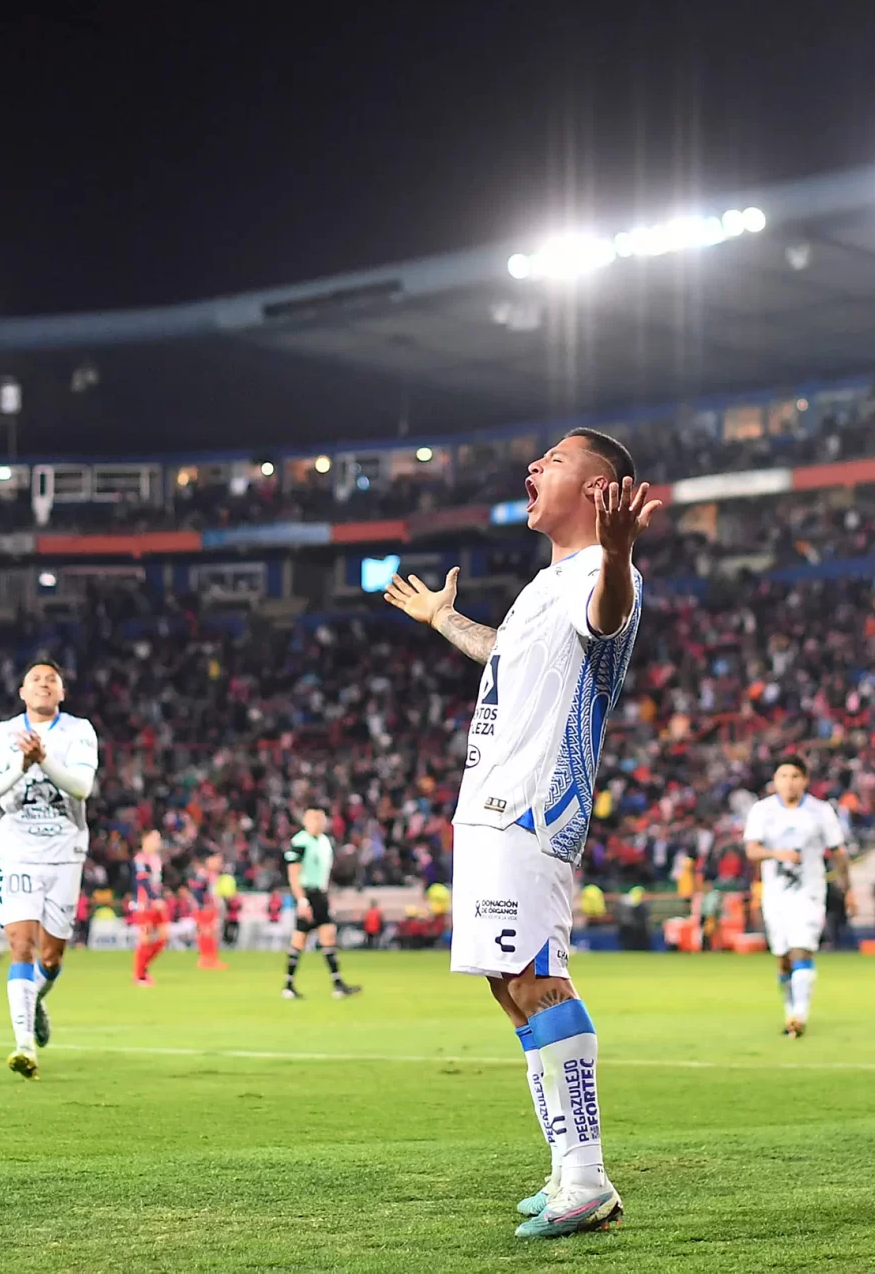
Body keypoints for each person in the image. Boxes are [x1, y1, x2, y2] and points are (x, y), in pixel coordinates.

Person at [384, 428, 654, 1240]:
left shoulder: (603, 574)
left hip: (533, 804)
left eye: (555, 461)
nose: (533, 468)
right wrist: (444, 619)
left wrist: (614, 553)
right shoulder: (543, 585)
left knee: (538, 976)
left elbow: (608, 618)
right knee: (508, 986)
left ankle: (588, 1176)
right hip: (490, 802)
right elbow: (504, 656)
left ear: (601, 487)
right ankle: (566, 1167)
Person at [0, 659, 99, 1078]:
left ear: (62, 693)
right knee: (20, 945)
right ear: (22, 694)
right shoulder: (1, 734)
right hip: (19, 852)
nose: (44, 685)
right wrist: (20, 766)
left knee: (52, 955)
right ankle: (25, 1046)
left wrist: (43, 760)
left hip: (65, 853)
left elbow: (82, 787)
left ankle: (36, 999)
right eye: (36, 680)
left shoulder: (79, 731)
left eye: (52, 680)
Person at [742, 756, 849, 1037]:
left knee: (802, 948)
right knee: (783, 958)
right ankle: (790, 1010)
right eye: (783, 776)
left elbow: (838, 851)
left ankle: (799, 1015)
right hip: (775, 895)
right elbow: (752, 851)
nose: (789, 782)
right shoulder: (762, 810)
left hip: (809, 892)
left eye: (794, 776)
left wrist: (847, 887)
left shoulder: (821, 810)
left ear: (805, 780)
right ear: (775, 781)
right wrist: (778, 854)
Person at [282, 807, 359, 1000]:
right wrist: (301, 900)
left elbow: (324, 873)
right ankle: (288, 985)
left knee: (328, 937)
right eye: (314, 819)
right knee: (300, 939)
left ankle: (337, 984)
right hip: (307, 893)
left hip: (320, 894)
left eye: (321, 819)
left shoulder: (325, 842)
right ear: (306, 822)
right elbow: (293, 874)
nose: (318, 823)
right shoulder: (300, 841)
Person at [130, 882, 171, 987]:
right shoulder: (143, 867)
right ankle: (139, 976)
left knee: (163, 938)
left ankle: (143, 969)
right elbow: (141, 879)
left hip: (157, 904)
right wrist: (153, 898)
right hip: (145, 905)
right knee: (145, 941)